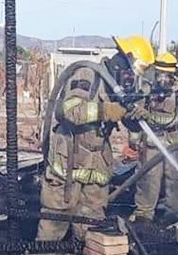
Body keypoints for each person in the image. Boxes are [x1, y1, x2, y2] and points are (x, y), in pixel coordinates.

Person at [36, 35, 155, 241]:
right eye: (135, 70)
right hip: (68, 163)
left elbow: (127, 120)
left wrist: (135, 118)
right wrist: (107, 110)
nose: (132, 78)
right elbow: (70, 111)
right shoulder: (87, 75)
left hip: (97, 167)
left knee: (93, 231)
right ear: (123, 62)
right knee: (54, 224)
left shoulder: (118, 87)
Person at [128, 52, 178, 224]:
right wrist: (133, 138)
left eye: (166, 75)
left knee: (175, 180)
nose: (162, 79)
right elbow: (135, 118)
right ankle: (144, 213)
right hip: (151, 145)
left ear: (174, 75)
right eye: (159, 74)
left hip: (175, 145)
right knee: (148, 178)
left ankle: (172, 213)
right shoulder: (146, 91)